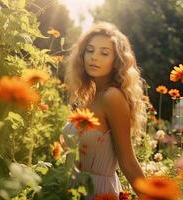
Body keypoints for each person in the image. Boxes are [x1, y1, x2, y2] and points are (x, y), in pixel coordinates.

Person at [63, 22, 146, 199]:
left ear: (116, 61)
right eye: (90, 50)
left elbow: (128, 161)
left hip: (97, 192)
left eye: (104, 53)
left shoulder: (112, 97)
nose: (94, 57)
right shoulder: (89, 95)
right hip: (73, 190)